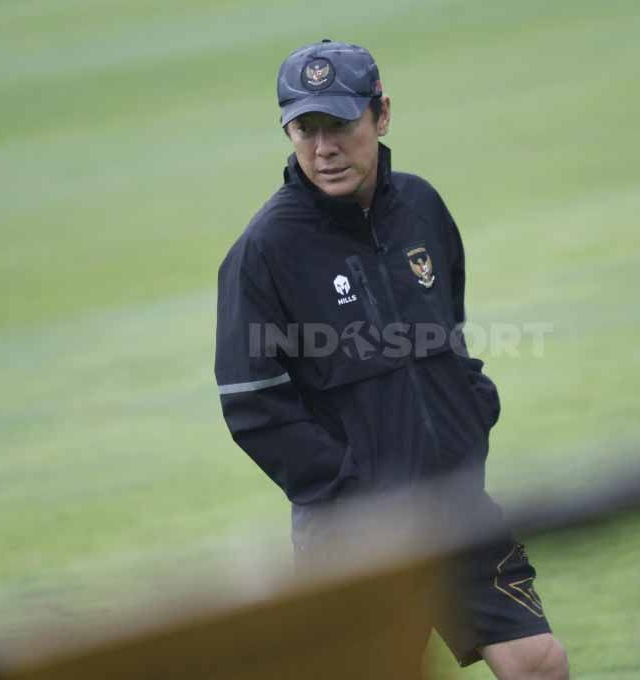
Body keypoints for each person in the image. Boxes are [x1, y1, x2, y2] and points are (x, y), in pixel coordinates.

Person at [214, 39, 569, 679]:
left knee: (539, 663)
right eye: (304, 128)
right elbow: (253, 405)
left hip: (453, 506)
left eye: (341, 125)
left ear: (381, 115)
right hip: (354, 540)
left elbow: (449, 335)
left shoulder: (422, 207)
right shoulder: (264, 251)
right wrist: (356, 493)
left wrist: (471, 410)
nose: (323, 147)